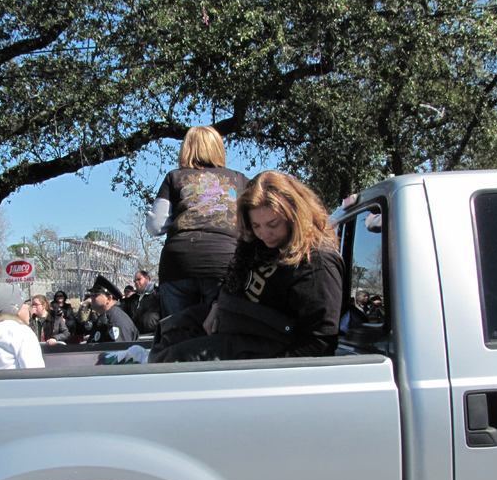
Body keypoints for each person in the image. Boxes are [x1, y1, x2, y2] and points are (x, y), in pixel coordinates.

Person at [149, 171, 344, 363]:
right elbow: (234, 280)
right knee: (171, 329)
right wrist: (217, 305)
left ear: (294, 216)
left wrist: (269, 373)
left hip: (270, 345)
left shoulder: (317, 262)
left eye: (273, 224)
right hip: (238, 320)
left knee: (178, 359)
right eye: (256, 225)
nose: (264, 233)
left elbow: (320, 342)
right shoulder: (256, 245)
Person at [146, 125, 250, 317]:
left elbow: (155, 226)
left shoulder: (174, 177)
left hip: (179, 264)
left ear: (186, 148)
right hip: (225, 263)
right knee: (221, 332)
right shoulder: (239, 180)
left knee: (178, 334)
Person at [84, 275, 139, 343]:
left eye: (95, 294)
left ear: (109, 298)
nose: (91, 297)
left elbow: (119, 351)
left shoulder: (116, 321)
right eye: (91, 294)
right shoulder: (104, 318)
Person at [123, 270, 161, 334]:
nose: (136, 282)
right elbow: (122, 308)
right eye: (135, 281)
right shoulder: (133, 298)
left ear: (147, 280)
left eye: (138, 279)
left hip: (153, 335)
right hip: (135, 335)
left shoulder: (157, 294)